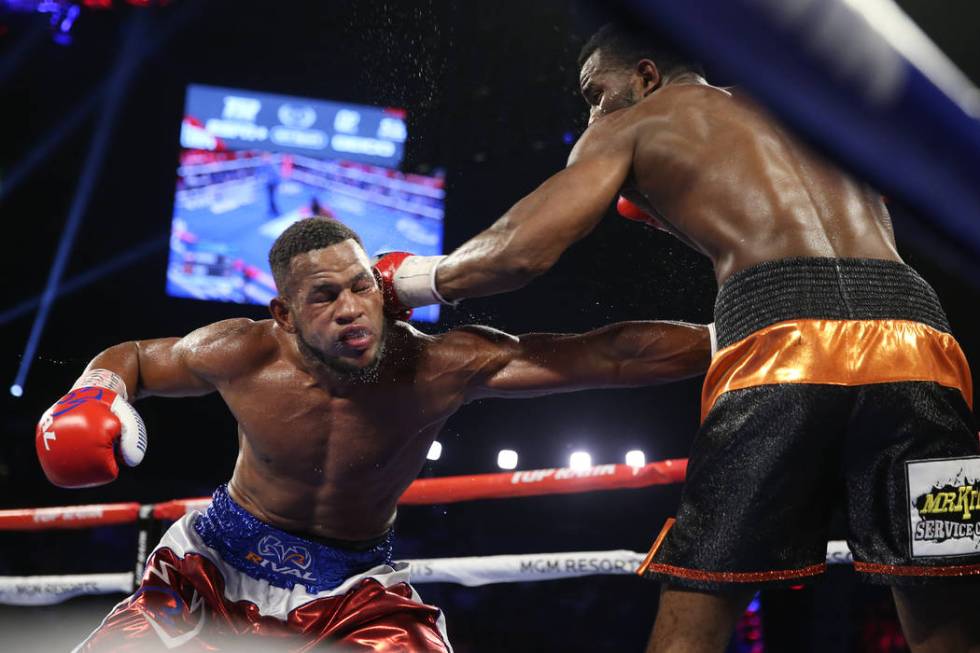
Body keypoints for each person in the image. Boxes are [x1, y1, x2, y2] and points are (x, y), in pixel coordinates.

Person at [374, 22, 980, 653]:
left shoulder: (632, 122)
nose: (592, 112)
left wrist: (409, 282)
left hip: (783, 350)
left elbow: (520, 253)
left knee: (699, 598)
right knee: (940, 600)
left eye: (595, 92)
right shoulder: (793, 102)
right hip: (923, 343)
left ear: (645, 76)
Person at [35, 217, 710, 652]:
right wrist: (96, 393)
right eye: (324, 296)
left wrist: (735, 334)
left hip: (351, 594)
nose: (351, 310)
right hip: (208, 571)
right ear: (285, 313)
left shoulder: (437, 366)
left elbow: (602, 354)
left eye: (361, 287)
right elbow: (137, 357)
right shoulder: (243, 352)